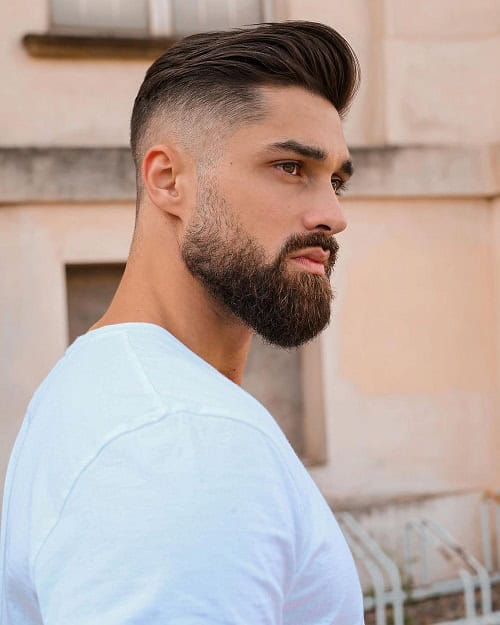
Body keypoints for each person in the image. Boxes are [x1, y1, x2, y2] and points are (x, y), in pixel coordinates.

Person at [0, 21, 364, 625]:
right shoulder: (180, 440)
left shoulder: (108, 386)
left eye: (338, 181)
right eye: (290, 167)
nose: (332, 214)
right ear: (169, 179)